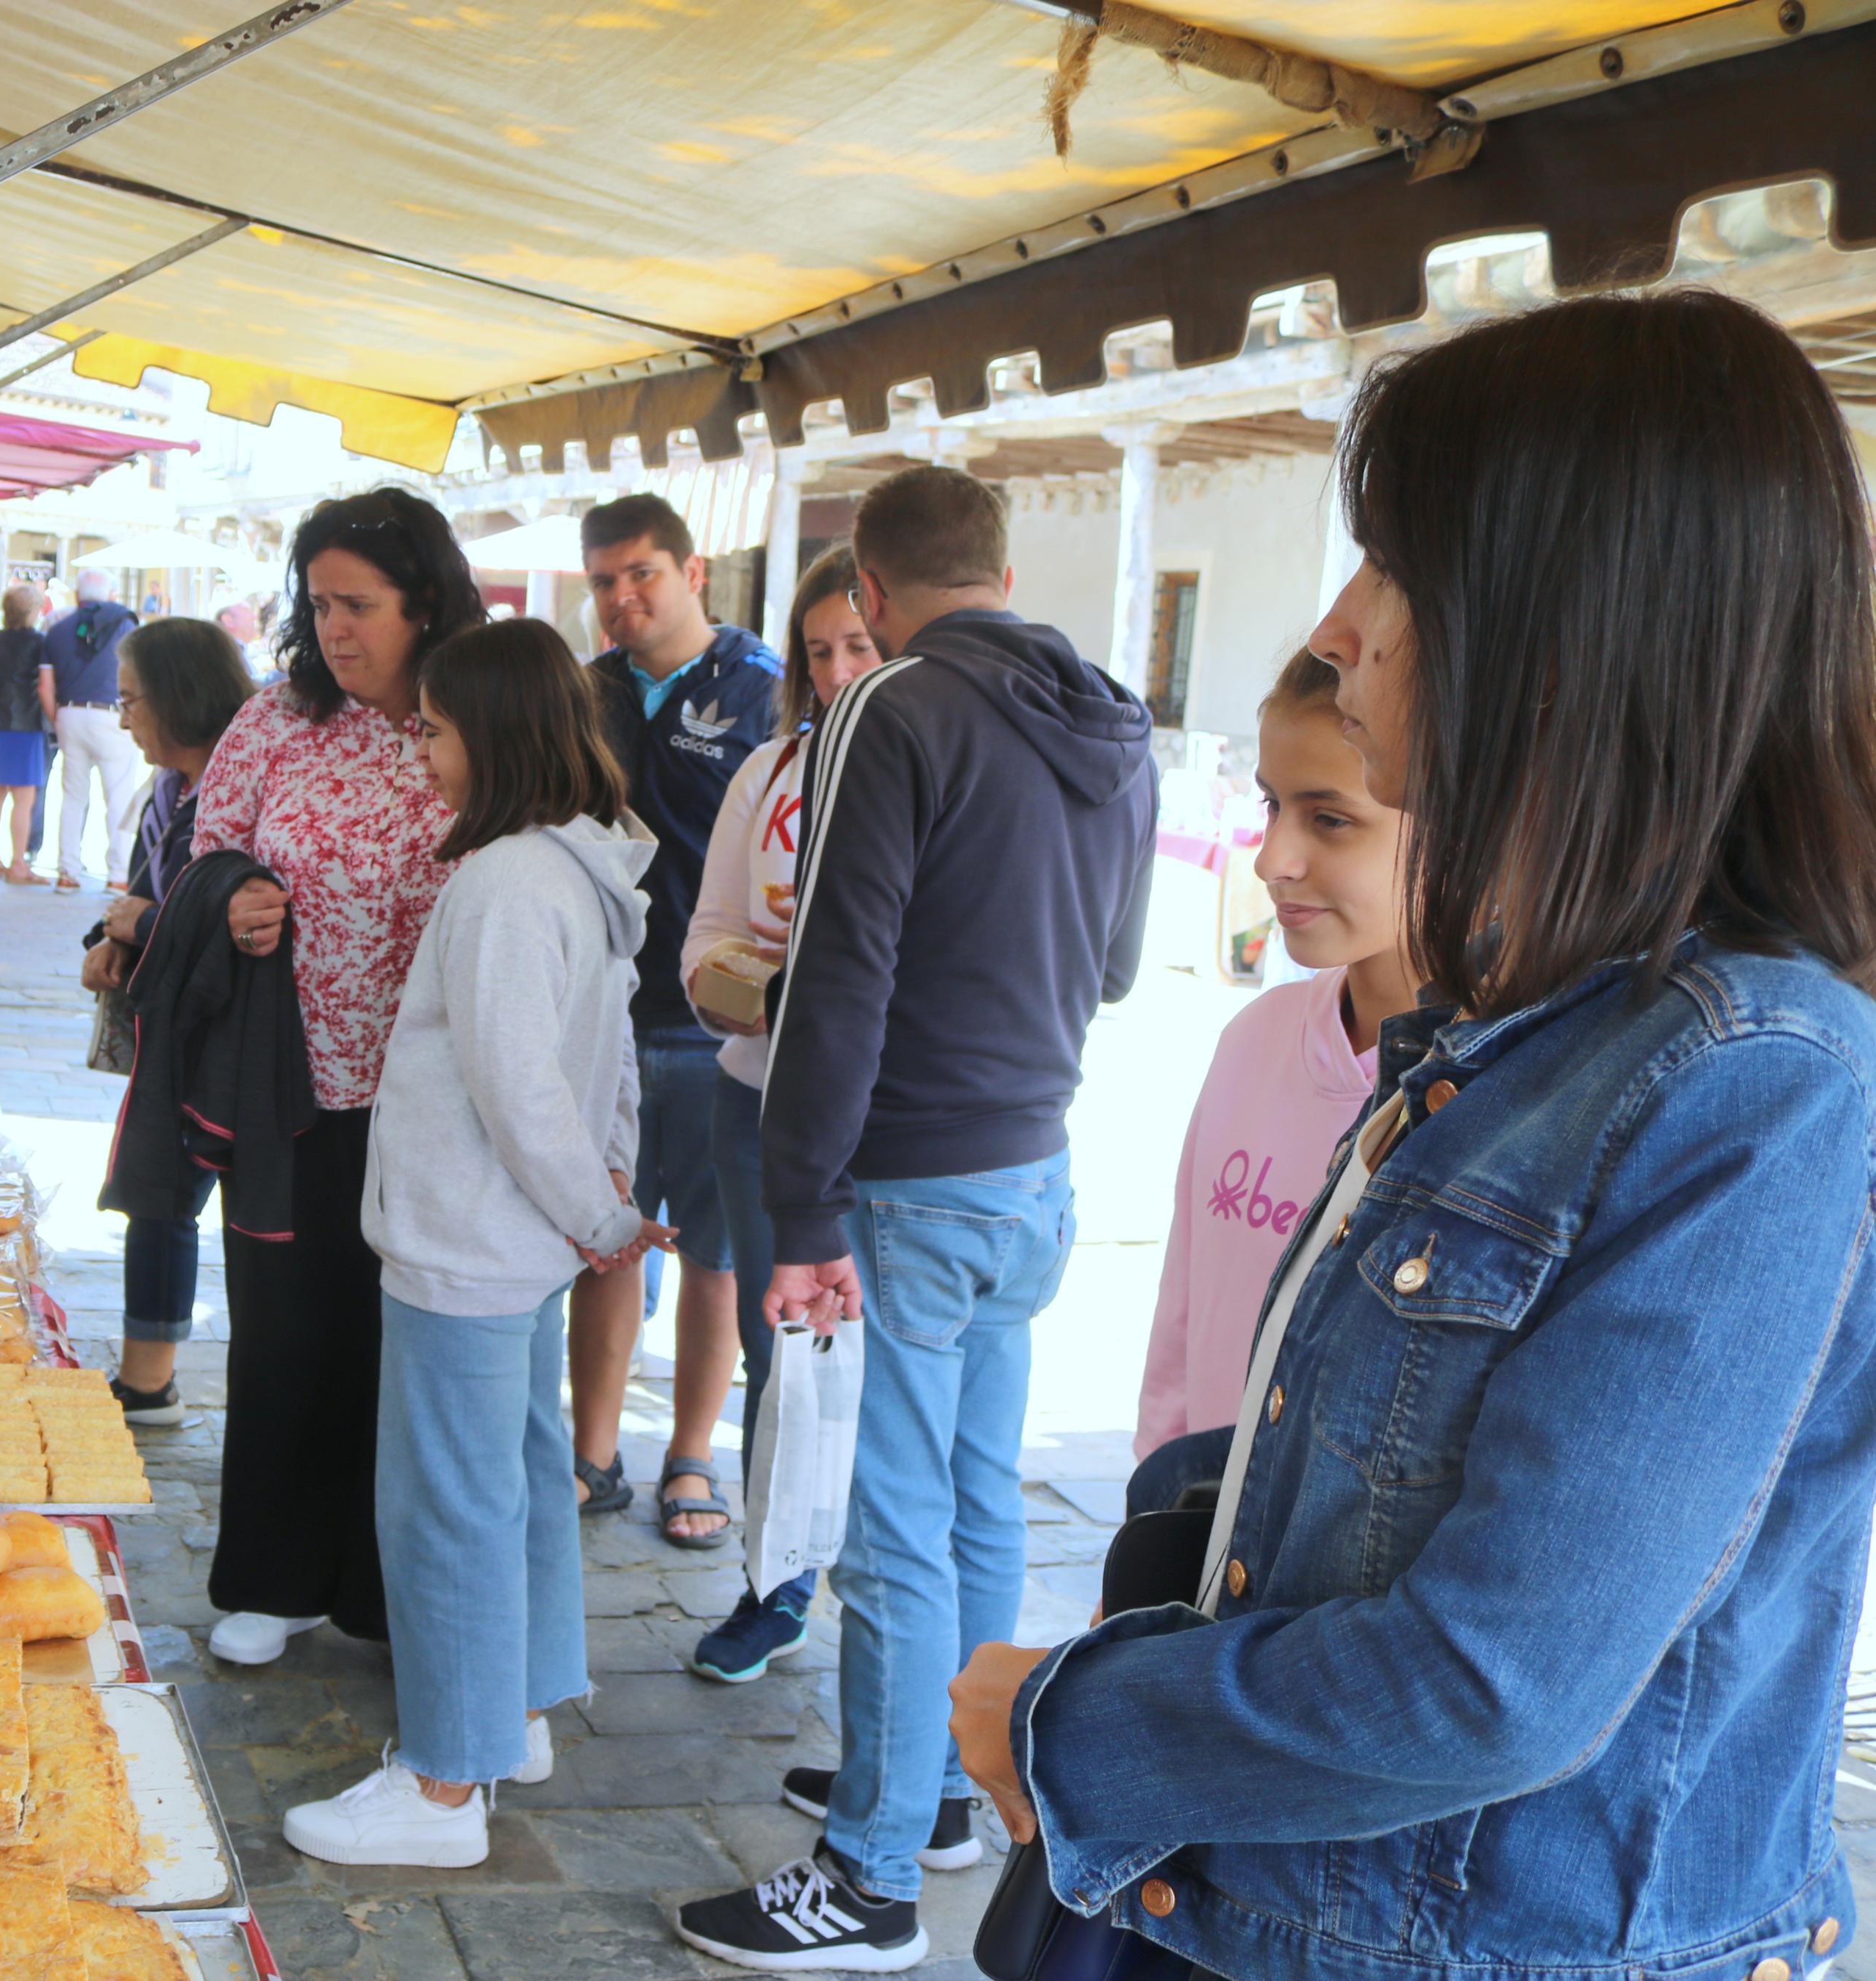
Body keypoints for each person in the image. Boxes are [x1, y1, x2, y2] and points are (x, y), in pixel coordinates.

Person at [943, 290, 1876, 1981]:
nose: (1343, 627)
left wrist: (1074, 1729)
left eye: (1395, 570)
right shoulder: (1526, 1030)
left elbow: (1494, 1678)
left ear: (1566, 621)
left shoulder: (1756, 1081)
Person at [676, 464, 1154, 1972]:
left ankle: (869, 1873)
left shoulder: (891, 706)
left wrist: (799, 1204)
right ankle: (940, 1783)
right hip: (1030, 1175)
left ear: (867, 594)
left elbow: (835, 973)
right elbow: (1121, 963)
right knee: (962, 1510)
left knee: (888, 1539)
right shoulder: (1117, 723)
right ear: (1000, 569)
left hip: (899, 1184)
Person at [281, 617, 668, 1868]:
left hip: (474, 1242)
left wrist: (599, 1211)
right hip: (521, 1241)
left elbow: (517, 1084)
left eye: (437, 733)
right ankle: (515, 1708)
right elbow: (597, 1068)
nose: (424, 756)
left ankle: (445, 1784)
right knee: (512, 1477)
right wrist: (598, 1199)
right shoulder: (574, 869)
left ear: (494, 735)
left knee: (447, 1503)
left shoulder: (507, 879)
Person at [190, 486, 489, 1667]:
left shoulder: (475, 716)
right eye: (316, 605)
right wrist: (235, 903)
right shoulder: (276, 719)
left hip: (437, 1097)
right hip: (293, 1086)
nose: (334, 630)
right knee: (281, 1333)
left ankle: (384, 1591)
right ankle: (273, 1576)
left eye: (358, 605)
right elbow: (200, 852)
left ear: (425, 604)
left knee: (402, 1350)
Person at [1123, 648, 1417, 1521]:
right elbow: (1181, 1322)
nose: (1270, 859)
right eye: (1270, 805)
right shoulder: (1253, 1039)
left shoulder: (1504, 1096)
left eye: (1329, 819)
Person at [676, 543, 886, 1680]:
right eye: (819, 649)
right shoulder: (768, 770)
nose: (842, 665)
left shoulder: (932, 763)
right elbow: (702, 935)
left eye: (859, 640)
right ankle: (777, 1584)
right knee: (781, 1354)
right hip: (756, 1091)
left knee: (887, 1375)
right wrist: (746, 974)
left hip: (893, 1123)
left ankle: (882, 1603)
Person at [568, 492, 780, 1547]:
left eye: (640, 573)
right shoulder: (581, 691)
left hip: (714, 1031)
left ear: (693, 572)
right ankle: (591, 1450)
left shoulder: (765, 692)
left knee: (713, 1252)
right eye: (602, 580)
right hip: (598, 1014)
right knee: (601, 1242)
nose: (620, 597)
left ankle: (689, 1451)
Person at [79, 619, 257, 1424]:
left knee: (197, 1200)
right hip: (174, 1027)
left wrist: (136, 926)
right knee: (157, 1193)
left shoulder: (243, 786)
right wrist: (111, 933)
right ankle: (146, 1379)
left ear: (179, 698)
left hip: (237, 1034)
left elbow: (222, 923)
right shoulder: (170, 787)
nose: (121, 721)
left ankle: (163, 1380)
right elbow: (148, 894)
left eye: (130, 702)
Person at [42, 570, 150, 893]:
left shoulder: (56, 629)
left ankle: (67, 872)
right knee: (118, 796)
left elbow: (45, 686)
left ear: (78, 596)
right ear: (111, 597)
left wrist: (59, 718)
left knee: (73, 796)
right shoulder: (126, 627)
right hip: (112, 715)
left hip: (70, 713)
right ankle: (117, 875)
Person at [0, 584, 51, 886]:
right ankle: (19, 863)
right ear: (32, 611)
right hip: (24, 726)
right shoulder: (38, 642)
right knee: (24, 797)